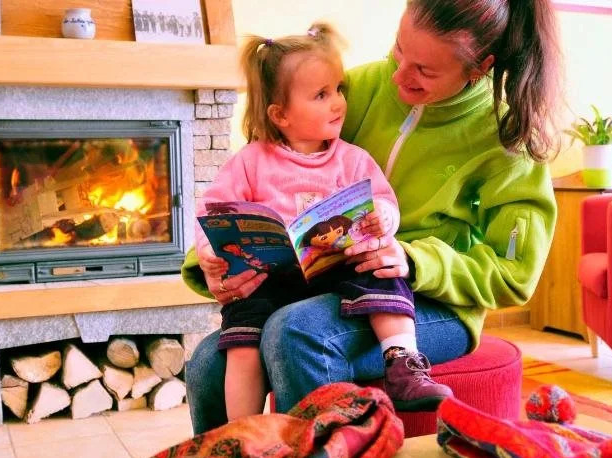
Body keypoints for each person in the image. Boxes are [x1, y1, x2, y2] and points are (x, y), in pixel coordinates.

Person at [183, 0, 560, 434]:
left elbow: (515, 274)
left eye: (424, 71)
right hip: (325, 281)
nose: (398, 76)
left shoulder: (507, 135)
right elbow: (260, 176)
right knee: (208, 363)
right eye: (399, 50)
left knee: (295, 332)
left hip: (430, 301)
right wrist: (214, 264)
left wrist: (416, 261)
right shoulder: (357, 88)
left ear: (480, 67)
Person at [193, 22, 455, 423]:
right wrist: (210, 253)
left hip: (336, 272)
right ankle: (244, 430)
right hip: (271, 281)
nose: (338, 103)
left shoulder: (351, 159)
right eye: (321, 95)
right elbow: (212, 212)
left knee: (381, 267)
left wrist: (383, 218)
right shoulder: (250, 161)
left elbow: (383, 200)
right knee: (241, 340)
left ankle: (403, 363)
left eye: (338, 90)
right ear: (280, 114)